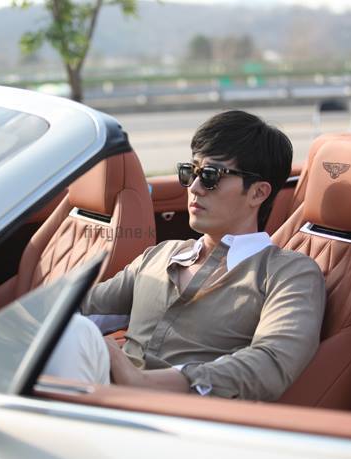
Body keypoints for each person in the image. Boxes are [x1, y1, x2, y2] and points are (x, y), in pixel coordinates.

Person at [48, 110, 325, 401]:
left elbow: (271, 363)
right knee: (66, 328)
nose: (194, 188)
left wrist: (141, 380)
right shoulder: (160, 255)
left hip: (185, 416)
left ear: (258, 193)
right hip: (105, 398)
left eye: (210, 176)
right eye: (190, 172)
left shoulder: (289, 273)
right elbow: (78, 310)